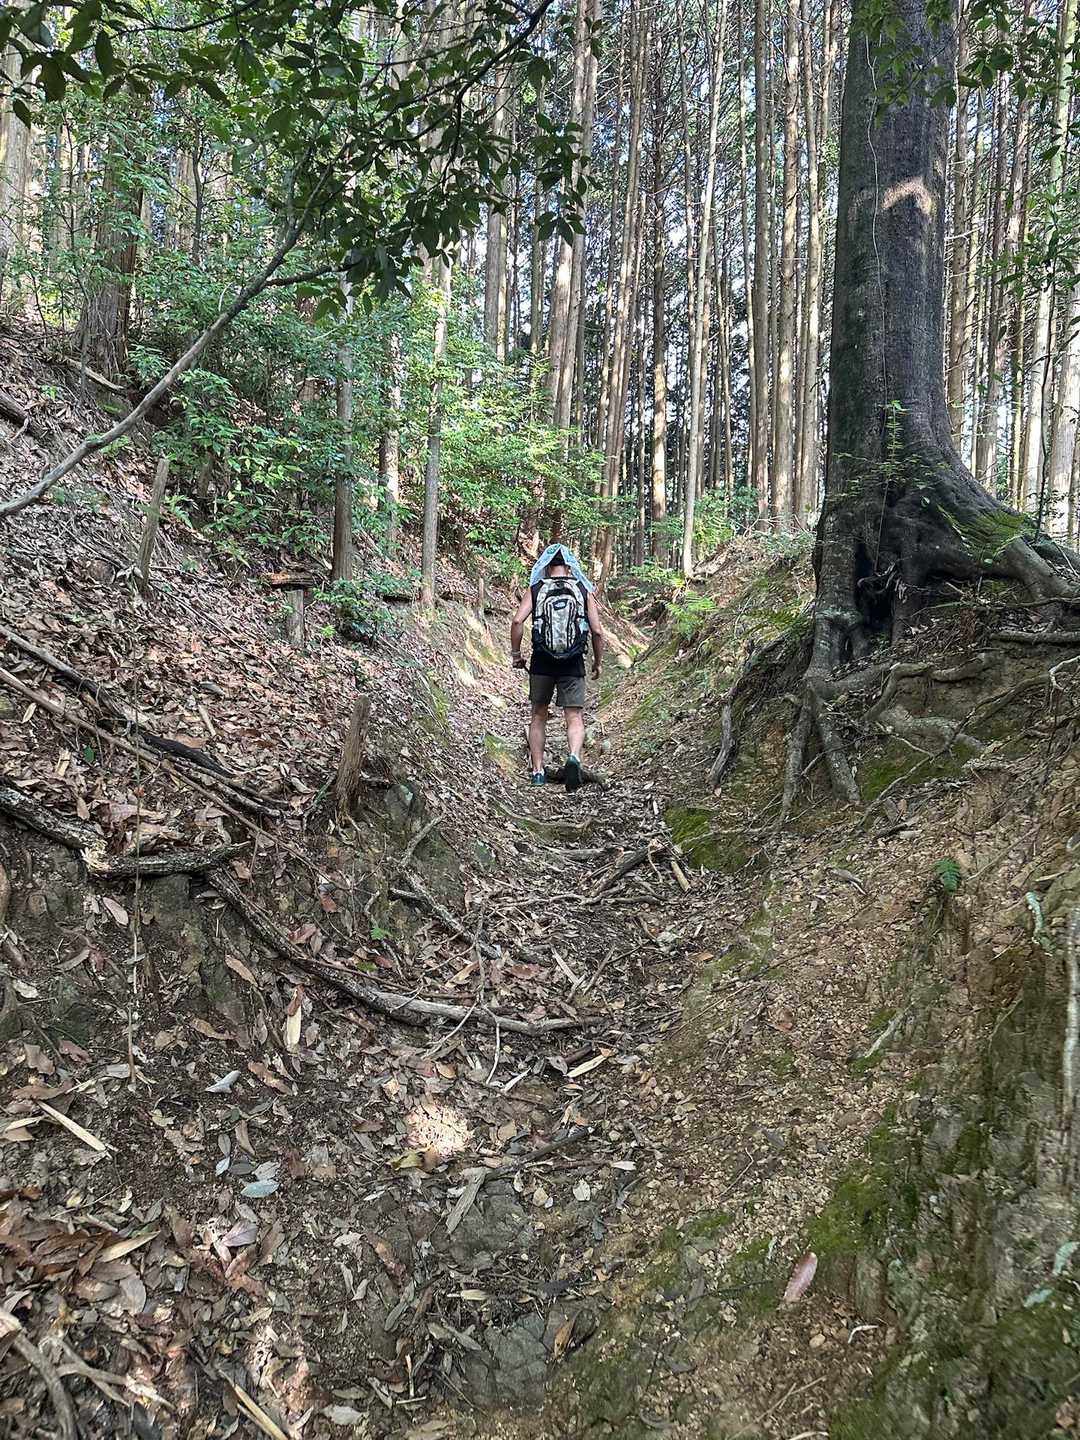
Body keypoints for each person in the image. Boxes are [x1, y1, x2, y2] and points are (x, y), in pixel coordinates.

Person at [510, 543, 605, 789]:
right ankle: (573, 757)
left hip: (542, 660)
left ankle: (537, 772)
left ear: (546, 565)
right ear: (569, 566)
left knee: (538, 714)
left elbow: (517, 621)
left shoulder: (536, 588)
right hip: (573, 661)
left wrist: (516, 655)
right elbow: (597, 631)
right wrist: (597, 662)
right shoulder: (582, 589)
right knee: (574, 715)